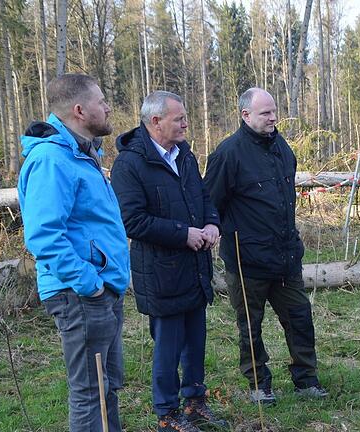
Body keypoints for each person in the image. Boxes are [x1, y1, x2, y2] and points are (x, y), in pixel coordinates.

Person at [18, 73, 131, 432]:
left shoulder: (83, 154)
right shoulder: (52, 160)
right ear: (80, 110)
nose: (108, 107)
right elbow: (44, 236)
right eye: (101, 101)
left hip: (101, 291)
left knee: (106, 387)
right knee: (89, 393)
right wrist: (89, 283)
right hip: (80, 295)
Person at [110, 91, 227, 432]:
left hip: (194, 269)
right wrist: (184, 234)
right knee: (168, 347)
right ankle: (167, 413)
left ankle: (194, 402)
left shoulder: (185, 155)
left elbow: (204, 197)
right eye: (179, 118)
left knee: (196, 340)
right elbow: (131, 221)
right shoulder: (130, 164)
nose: (186, 124)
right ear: (155, 121)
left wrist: (211, 223)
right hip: (160, 274)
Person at [204, 87, 328, 405]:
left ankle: (306, 381)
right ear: (245, 115)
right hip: (247, 261)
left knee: (300, 318)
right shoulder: (227, 154)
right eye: (265, 113)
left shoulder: (281, 148)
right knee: (250, 326)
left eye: (274, 111)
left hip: (286, 257)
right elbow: (210, 205)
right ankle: (259, 384)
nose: (273, 117)